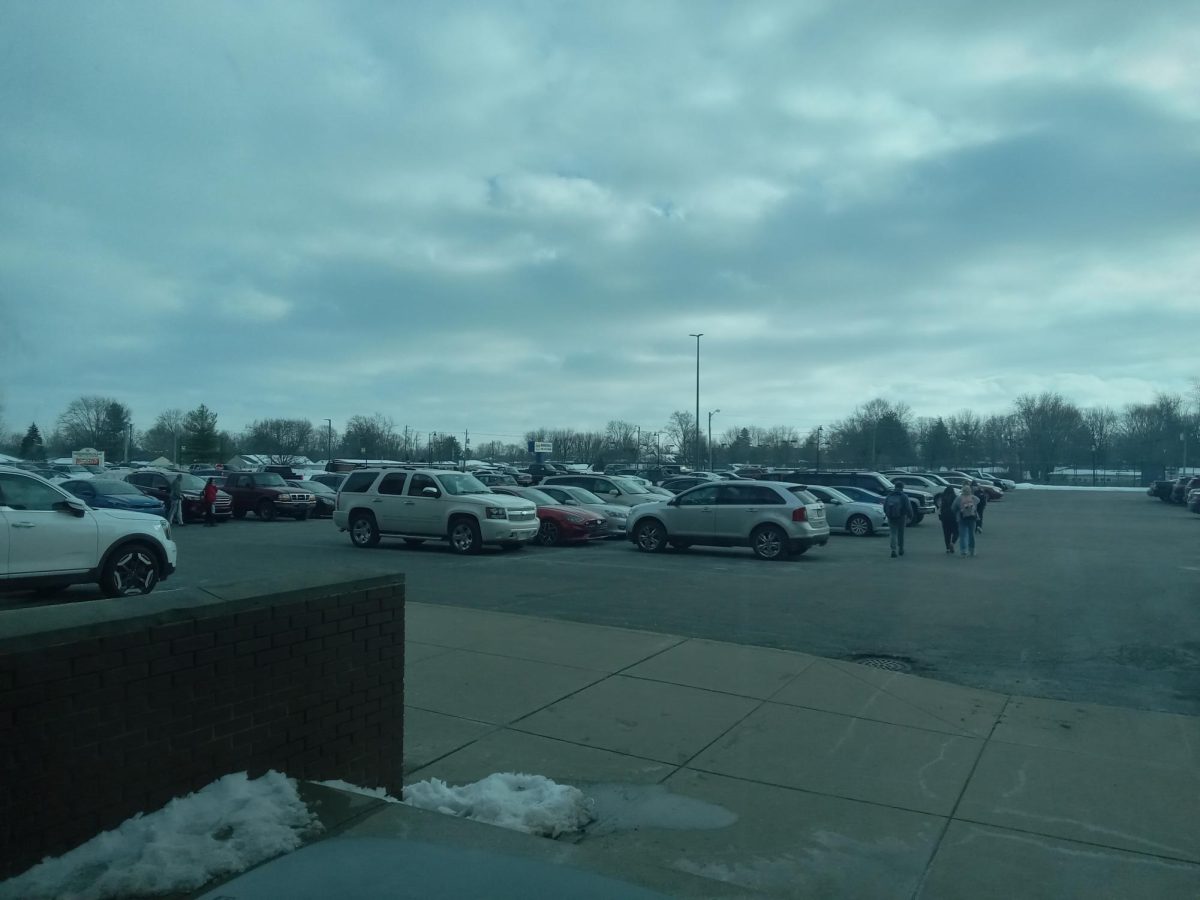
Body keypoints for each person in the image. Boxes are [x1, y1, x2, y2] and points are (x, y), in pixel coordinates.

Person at [882, 483, 909, 558]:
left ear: (895, 487)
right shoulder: (904, 496)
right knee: (901, 534)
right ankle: (901, 549)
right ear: (902, 488)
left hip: (891, 517)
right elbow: (908, 507)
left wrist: (887, 514)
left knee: (893, 533)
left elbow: (884, 507)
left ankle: (893, 550)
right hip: (901, 517)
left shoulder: (889, 496)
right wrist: (910, 516)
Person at [953, 483, 979, 557]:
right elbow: (979, 500)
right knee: (972, 535)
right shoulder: (974, 498)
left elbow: (953, 508)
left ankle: (963, 551)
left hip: (962, 519)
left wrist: (958, 512)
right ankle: (972, 550)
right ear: (970, 491)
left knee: (963, 535)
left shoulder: (958, 498)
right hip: (972, 518)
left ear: (962, 490)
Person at [937, 485, 958, 554]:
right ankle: (953, 542)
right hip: (953, 517)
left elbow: (940, 507)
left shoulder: (943, 497)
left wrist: (940, 516)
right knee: (956, 531)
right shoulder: (955, 498)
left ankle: (947, 548)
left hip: (944, 517)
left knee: (946, 533)